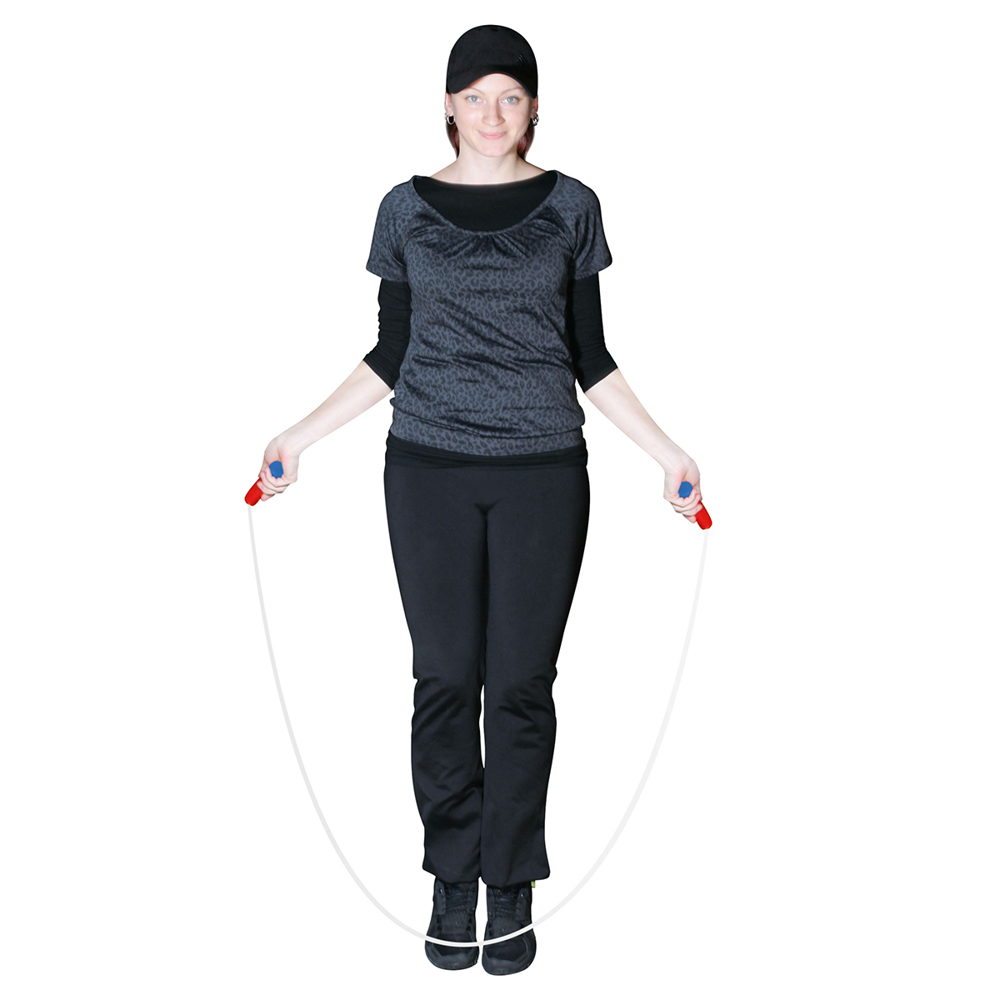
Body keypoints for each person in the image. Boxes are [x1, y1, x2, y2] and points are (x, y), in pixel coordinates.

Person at [255, 24, 706, 976]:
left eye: (510, 96)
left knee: (522, 688)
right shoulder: (404, 209)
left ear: (534, 108)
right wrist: (297, 435)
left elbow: (590, 355)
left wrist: (668, 452)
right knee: (445, 681)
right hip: (427, 471)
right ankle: (451, 880)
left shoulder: (573, 206)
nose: (492, 114)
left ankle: (511, 884)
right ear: (448, 106)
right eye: (474, 96)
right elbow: (391, 350)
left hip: (544, 473)